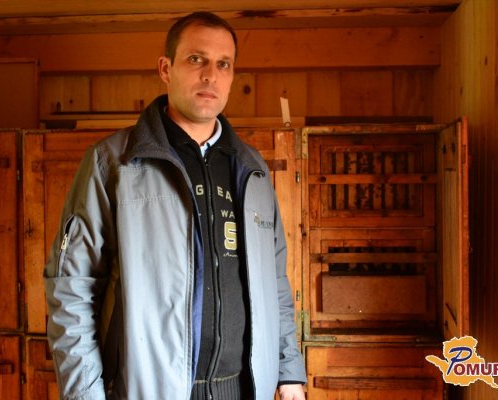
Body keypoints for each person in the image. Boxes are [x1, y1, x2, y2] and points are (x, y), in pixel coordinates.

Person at [44, 11, 306, 400]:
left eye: (223, 64)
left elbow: (275, 282)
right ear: (166, 69)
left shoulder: (252, 169)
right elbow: (71, 288)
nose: (210, 75)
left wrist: (288, 372)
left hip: (245, 389)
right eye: (196, 59)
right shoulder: (113, 163)